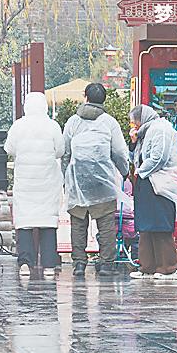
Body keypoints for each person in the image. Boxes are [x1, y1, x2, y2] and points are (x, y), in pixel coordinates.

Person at [61, 83, 130, 278]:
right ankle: (106, 263)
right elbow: (119, 152)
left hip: (78, 179)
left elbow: (65, 152)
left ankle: (79, 263)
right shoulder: (109, 122)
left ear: (86, 97)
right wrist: (124, 171)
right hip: (102, 180)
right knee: (106, 222)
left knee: (78, 221)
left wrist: (66, 177)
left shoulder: (73, 122)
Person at [128, 105, 177, 280]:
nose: (133, 125)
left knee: (160, 223)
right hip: (146, 181)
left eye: (134, 121)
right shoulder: (145, 132)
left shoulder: (161, 129)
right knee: (145, 225)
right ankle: (147, 266)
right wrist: (134, 143)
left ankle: (169, 268)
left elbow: (159, 158)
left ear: (142, 119)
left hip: (160, 183)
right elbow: (135, 158)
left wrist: (140, 171)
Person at [5, 92, 65, 278]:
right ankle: (48, 265)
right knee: (48, 222)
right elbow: (60, 151)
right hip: (48, 181)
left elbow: (9, 149)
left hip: (25, 182)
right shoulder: (53, 126)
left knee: (25, 222)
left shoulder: (18, 126)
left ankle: (25, 263)